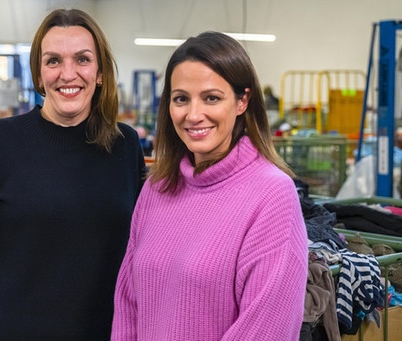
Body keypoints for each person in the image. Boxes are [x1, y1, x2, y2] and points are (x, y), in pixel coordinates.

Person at [0, 8, 146, 341]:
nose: (68, 73)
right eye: (53, 61)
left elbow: (137, 249)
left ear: (101, 72)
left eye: (83, 59)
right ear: (38, 73)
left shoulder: (125, 146)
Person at [111, 31, 308, 340]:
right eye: (181, 99)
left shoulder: (272, 196)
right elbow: (128, 304)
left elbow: (266, 329)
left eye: (211, 98)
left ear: (243, 101)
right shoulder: (157, 188)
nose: (193, 115)